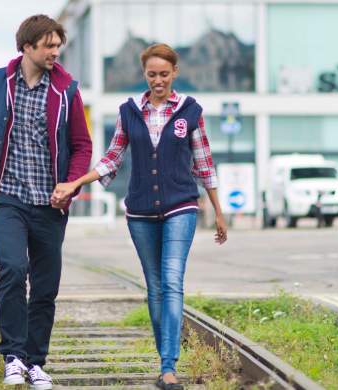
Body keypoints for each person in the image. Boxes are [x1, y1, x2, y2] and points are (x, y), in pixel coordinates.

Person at [52, 43, 227, 390]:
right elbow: (112, 157)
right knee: (155, 288)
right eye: (152, 74)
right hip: (140, 212)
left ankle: (168, 367)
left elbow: (204, 164)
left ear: (175, 73)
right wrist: (76, 182)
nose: (158, 80)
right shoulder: (129, 111)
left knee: (172, 282)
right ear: (144, 75)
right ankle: (166, 361)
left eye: (164, 74)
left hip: (181, 206)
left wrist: (219, 213)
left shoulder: (191, 111)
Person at [0, 14, 92, 388]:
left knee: (45, 286)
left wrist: (71, 184)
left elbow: (81, 145)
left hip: (51, 204)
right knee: (13, 271)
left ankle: (35, 362)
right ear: (27, 46)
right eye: (48, 45)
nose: (55, 52)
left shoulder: (66, 90)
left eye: (57, 45)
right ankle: (13, 356)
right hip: (9, 199)